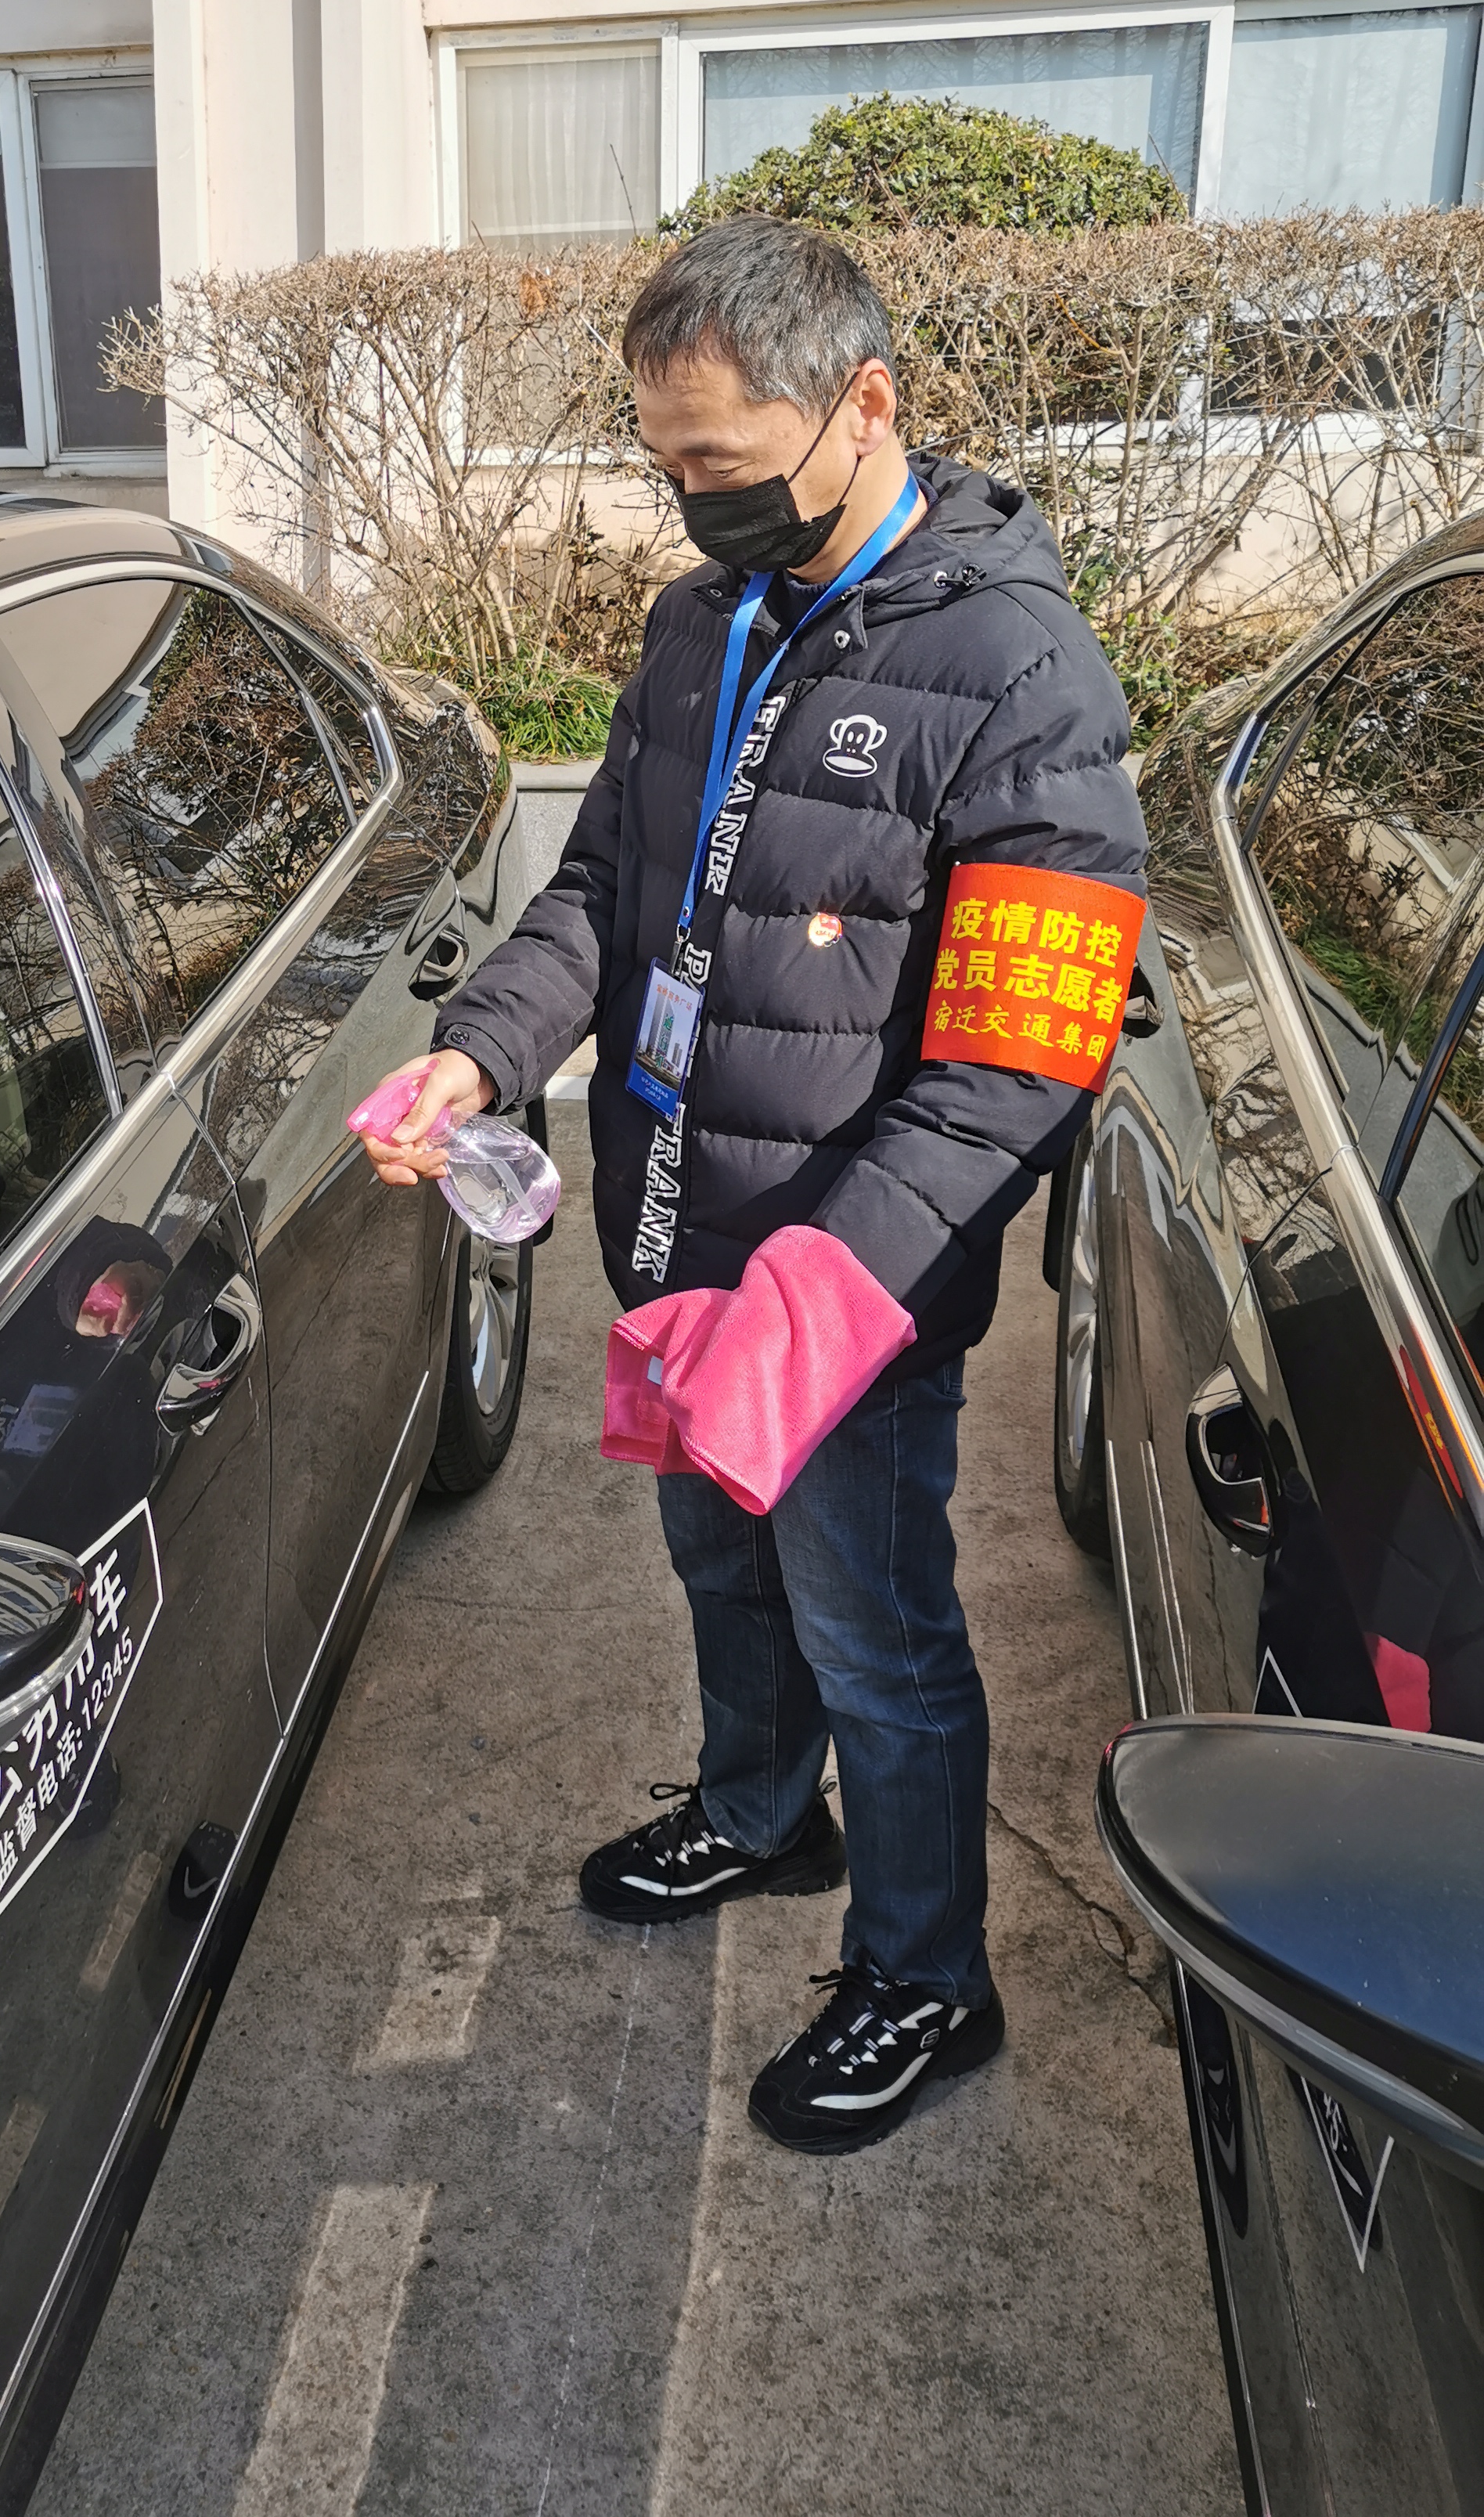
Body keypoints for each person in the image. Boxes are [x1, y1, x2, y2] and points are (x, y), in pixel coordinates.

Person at [356, 216, 1147, 2155]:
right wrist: (484, 1049)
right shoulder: (700, 624)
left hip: (846, 1295)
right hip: (671, 1235)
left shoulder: (1020, 674)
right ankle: (760, 1810)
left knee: (876, 1629)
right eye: (664, 461)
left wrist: (831, 1285)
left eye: (718, 459)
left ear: (865, 404)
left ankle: (927, 1977)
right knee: (720, 1568)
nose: (690, 499)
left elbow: (1020, 1060)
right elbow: (604, 892)